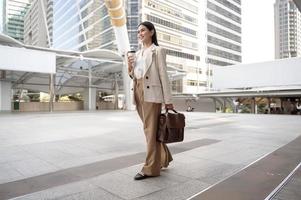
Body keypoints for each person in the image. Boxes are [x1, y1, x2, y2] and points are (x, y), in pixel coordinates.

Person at [127, 21, 174, 180]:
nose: (140, 34)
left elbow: (163, 75)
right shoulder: (138, 53)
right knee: (151, 130)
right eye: (138, 31)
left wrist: (168, 100)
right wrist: (129, 65)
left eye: (143, 30)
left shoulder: (158, 51)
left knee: (149, 130)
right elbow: (134, 75)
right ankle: (164, 158)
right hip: (138, 92)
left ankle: (150, 168)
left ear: (152, 32)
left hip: (151, 94)